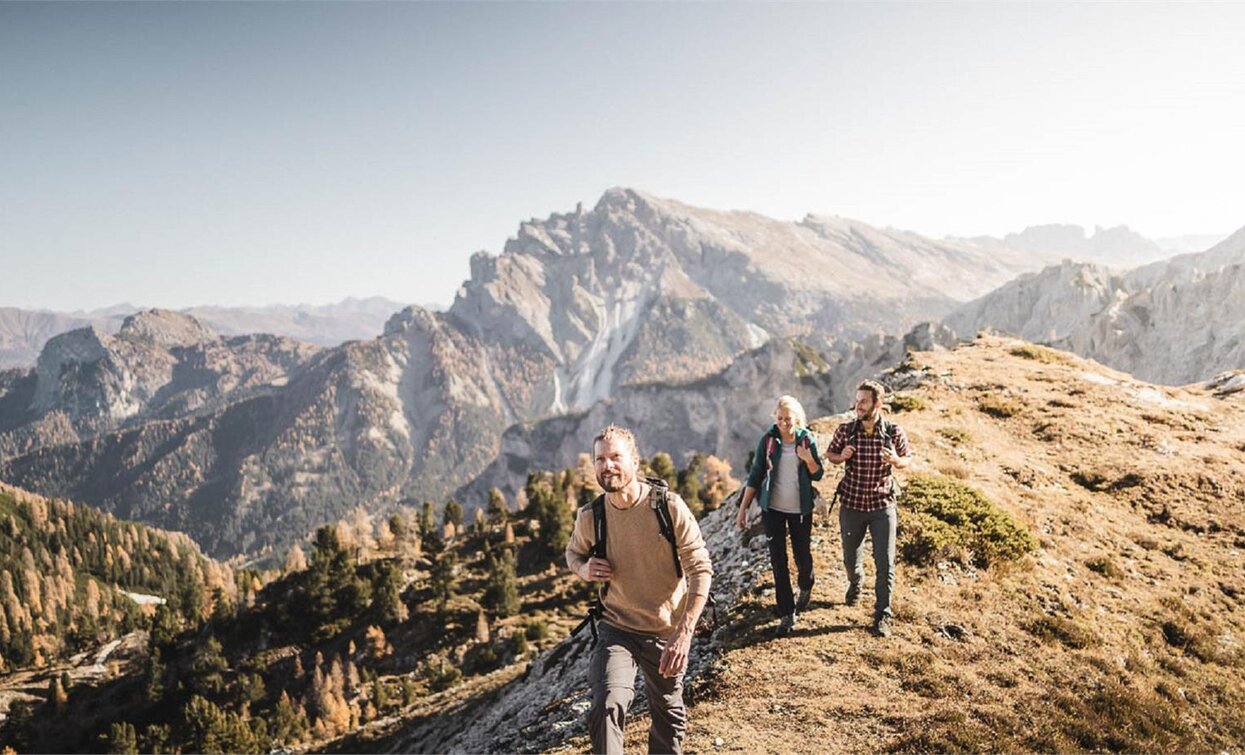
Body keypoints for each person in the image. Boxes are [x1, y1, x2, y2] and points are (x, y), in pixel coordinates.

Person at [566, 425, 713, 755]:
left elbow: (701, 568)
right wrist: (584, 568)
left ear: (634, 460)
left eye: (616, 457)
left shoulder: (668, 507)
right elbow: (572, 553)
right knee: (606, 703)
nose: (608, 466)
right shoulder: (591, 517)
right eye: (600, 459)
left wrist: (684, 632)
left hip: (666, 631)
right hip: (617, 628)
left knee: (667, 714)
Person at [824, 380, 911, 638]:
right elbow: (830, 454)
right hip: (851, 504)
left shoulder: (893, 432)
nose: (858, 406)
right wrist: (842, 457)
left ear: (878, 404)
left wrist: (896, 460)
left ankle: (883, 614)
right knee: (850, 558)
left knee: (885, 563)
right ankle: (856, 582)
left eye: (864, 401)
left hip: (882, 506)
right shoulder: (846, 430)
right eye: (857, 400)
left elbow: (907, 459)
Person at [734, 395, 825, 636]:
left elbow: (818, 475)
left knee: (802, 557)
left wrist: (808, 461)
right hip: (772, 510)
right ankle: (786, 613)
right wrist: (743, 509)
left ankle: (806, 586)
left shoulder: (806, 440)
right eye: (780, 418)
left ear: (797, 418)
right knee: (778, 561)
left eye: (788, 419)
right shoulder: (768, 440)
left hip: (800, 511)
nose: (784, 423)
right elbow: (755, 476)